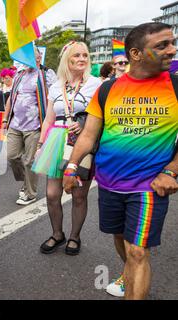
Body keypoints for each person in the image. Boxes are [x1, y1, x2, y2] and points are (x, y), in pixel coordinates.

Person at [63, 22, 178, 299]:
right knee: (122, 240)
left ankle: (134, 278)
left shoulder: (175, 85)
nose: (172, 50)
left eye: (172, 43)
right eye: (162, 45)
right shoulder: (107, 90)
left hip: (148, 186)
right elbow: (89, 135)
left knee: (138, 251)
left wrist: (172, 170)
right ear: (136, 54)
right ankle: (129, 275)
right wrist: (71, 166)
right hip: (109, 183)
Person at [32, 41, 101, 255]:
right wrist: (41, 144)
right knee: (52, 194)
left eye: (85, 55)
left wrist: (83, 124)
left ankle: (74, 236)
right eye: (76, 55)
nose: (82, 59)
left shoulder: (96, 84)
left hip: (82, 142)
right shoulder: (55, 86)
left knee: (79, 195)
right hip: (56, 140)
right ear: (67, 60)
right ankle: (57, 234)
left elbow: (101, 115)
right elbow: (48, 119)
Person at [3, 48, 57, 205]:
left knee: (30, 161)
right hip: (15, 124)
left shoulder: (46, 74)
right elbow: (11, 98)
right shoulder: (19, 74)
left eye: (31, 57)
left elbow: (54, 97)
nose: (25, 60)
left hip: (34, 125)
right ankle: (26, 182)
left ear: (39, 58)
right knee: (12, 156)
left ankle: (30, 193)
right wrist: (6, 118)